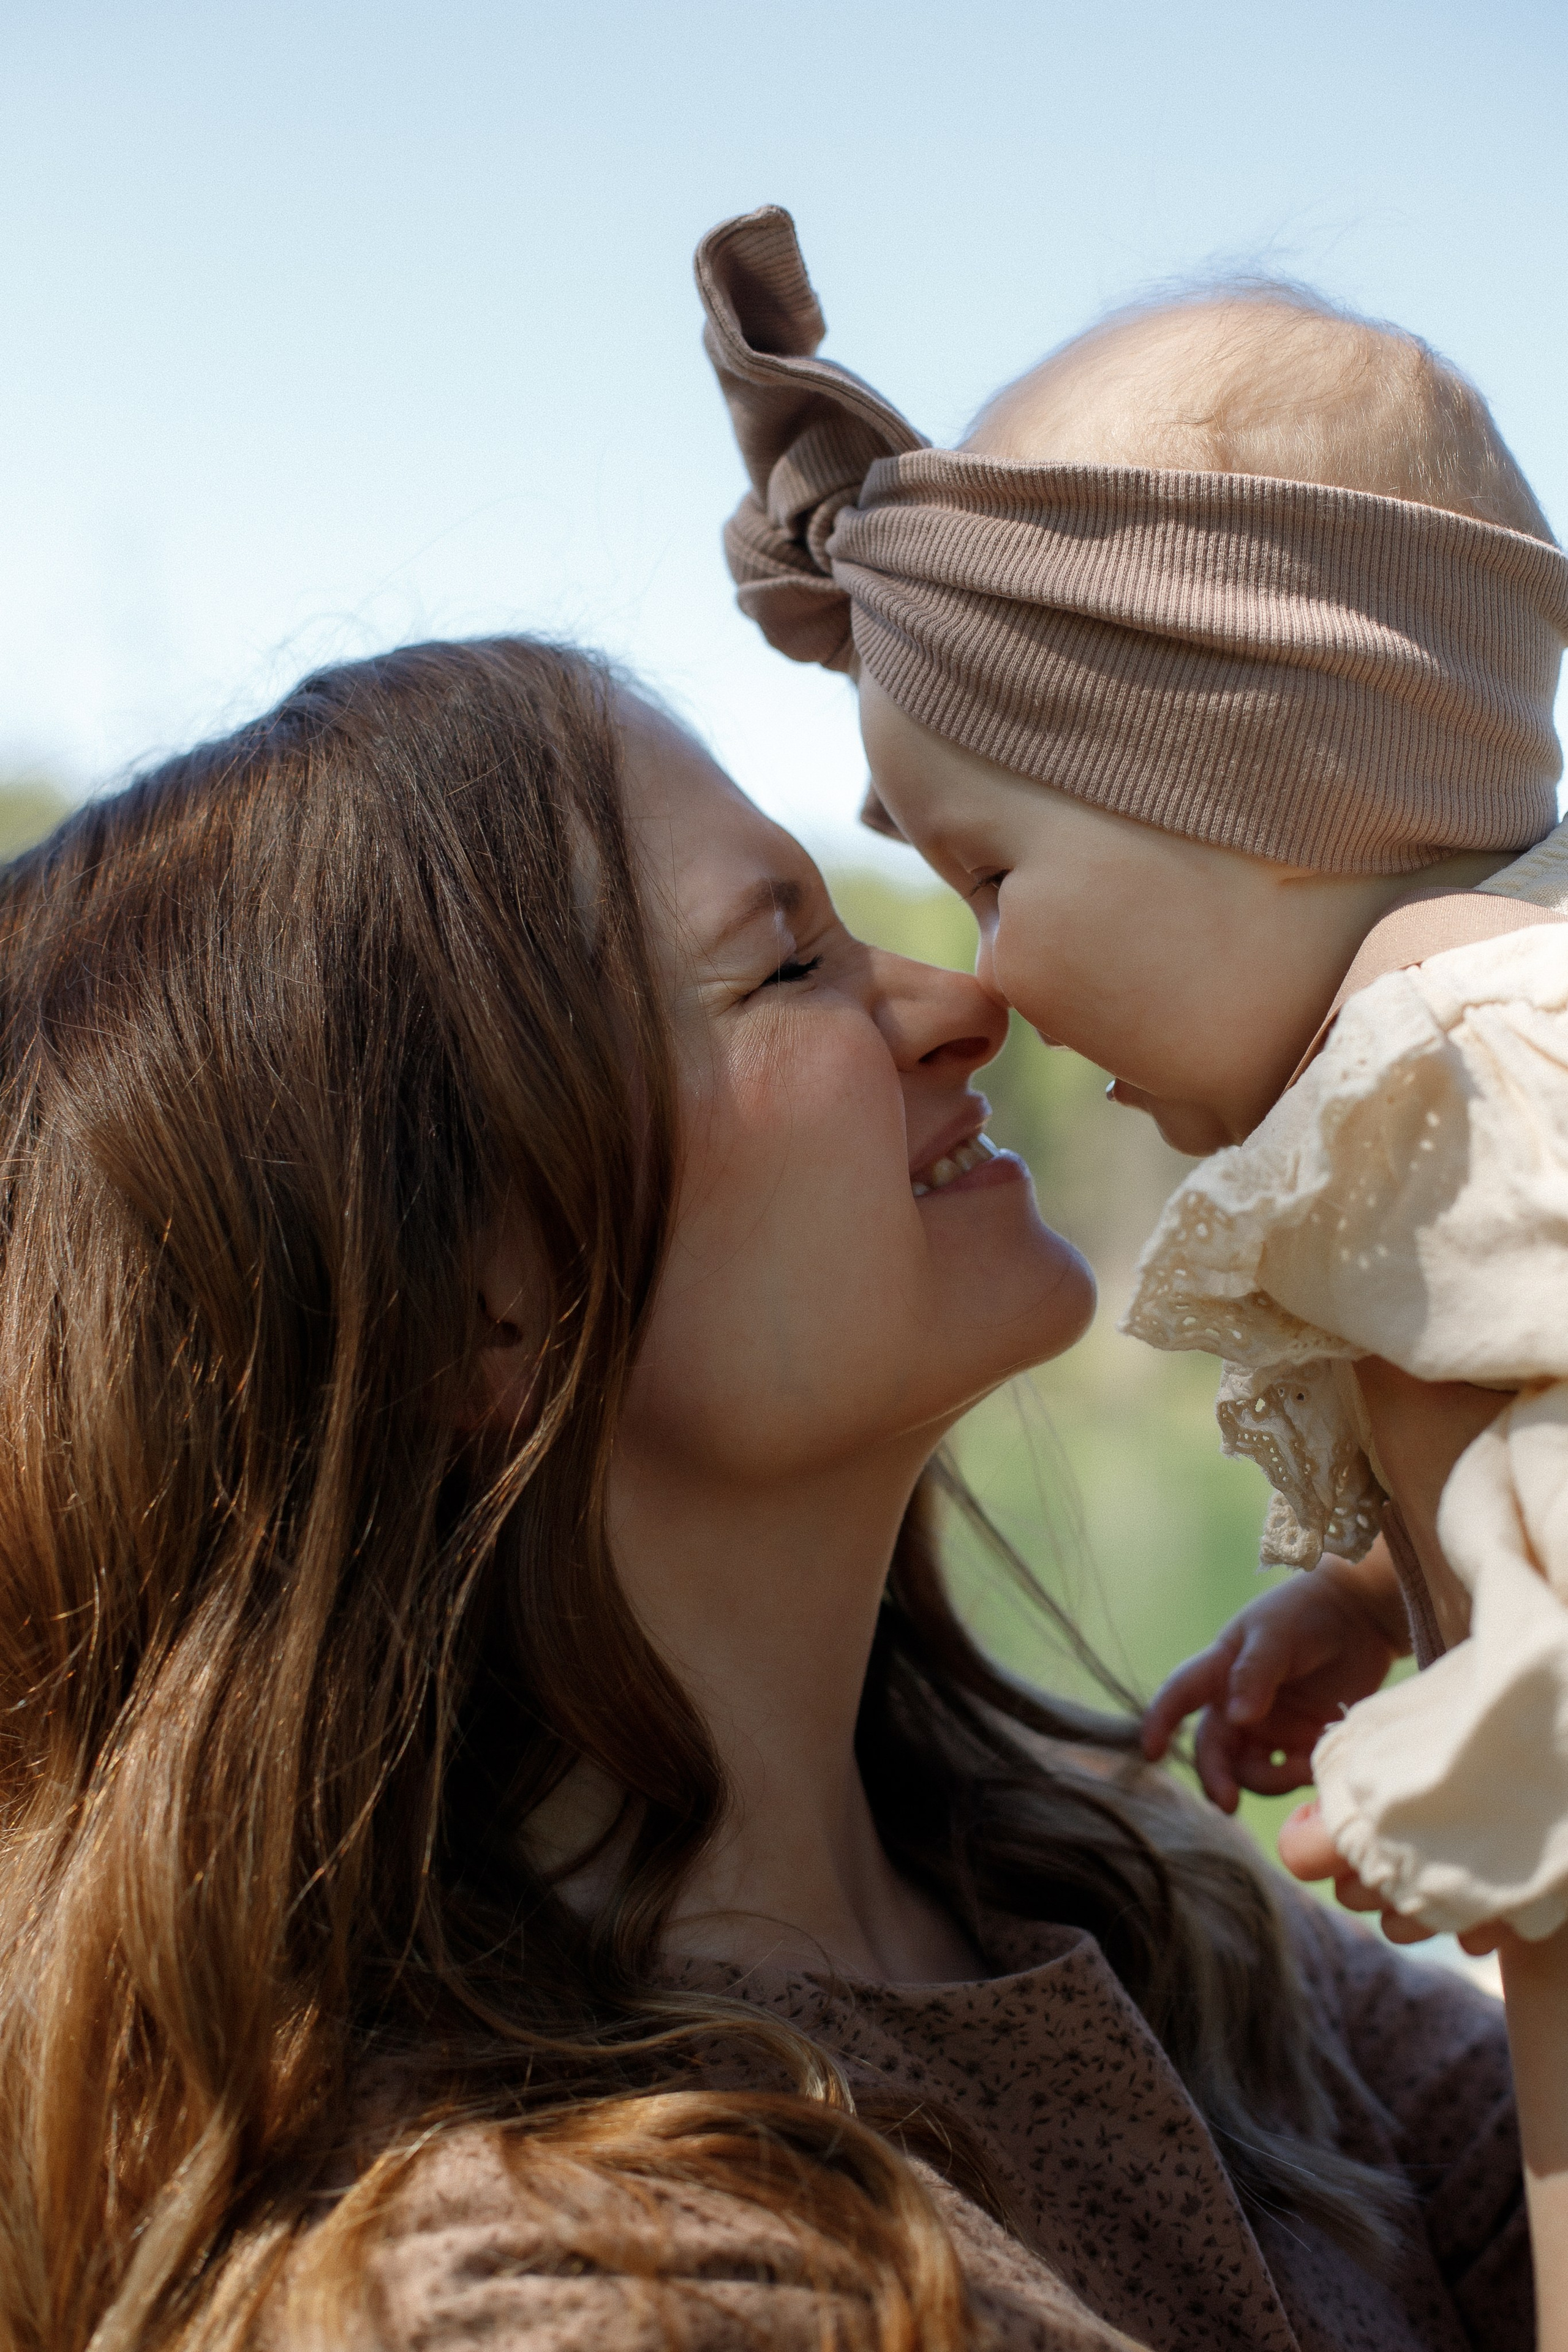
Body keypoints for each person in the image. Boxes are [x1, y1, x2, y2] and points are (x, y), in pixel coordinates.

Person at [0, 634, 1537, 2350]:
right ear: (473, 1297)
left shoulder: (1129, 1899)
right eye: (790, 963)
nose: (970, 1002)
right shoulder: (546, 2294)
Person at [692, 206, 1568, 1940]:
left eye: (995, 880)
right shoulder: (1447, 1045)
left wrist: (1464, 1743)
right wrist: (1392, 1589)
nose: (982, 979)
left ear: (1268, 795)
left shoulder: (1468, 1038)